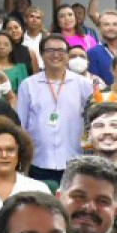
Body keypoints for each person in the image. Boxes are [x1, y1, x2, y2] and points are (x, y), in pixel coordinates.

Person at [16, 36, 94, 185]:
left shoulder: (84, 85)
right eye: (50, 50)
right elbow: (21, 125)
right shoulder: (28, 85)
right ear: (42, 55)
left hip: (74, 161)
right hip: (38, 162)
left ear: (67, 55)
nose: (56, 55)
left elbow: (90, 121)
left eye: (60, 50)